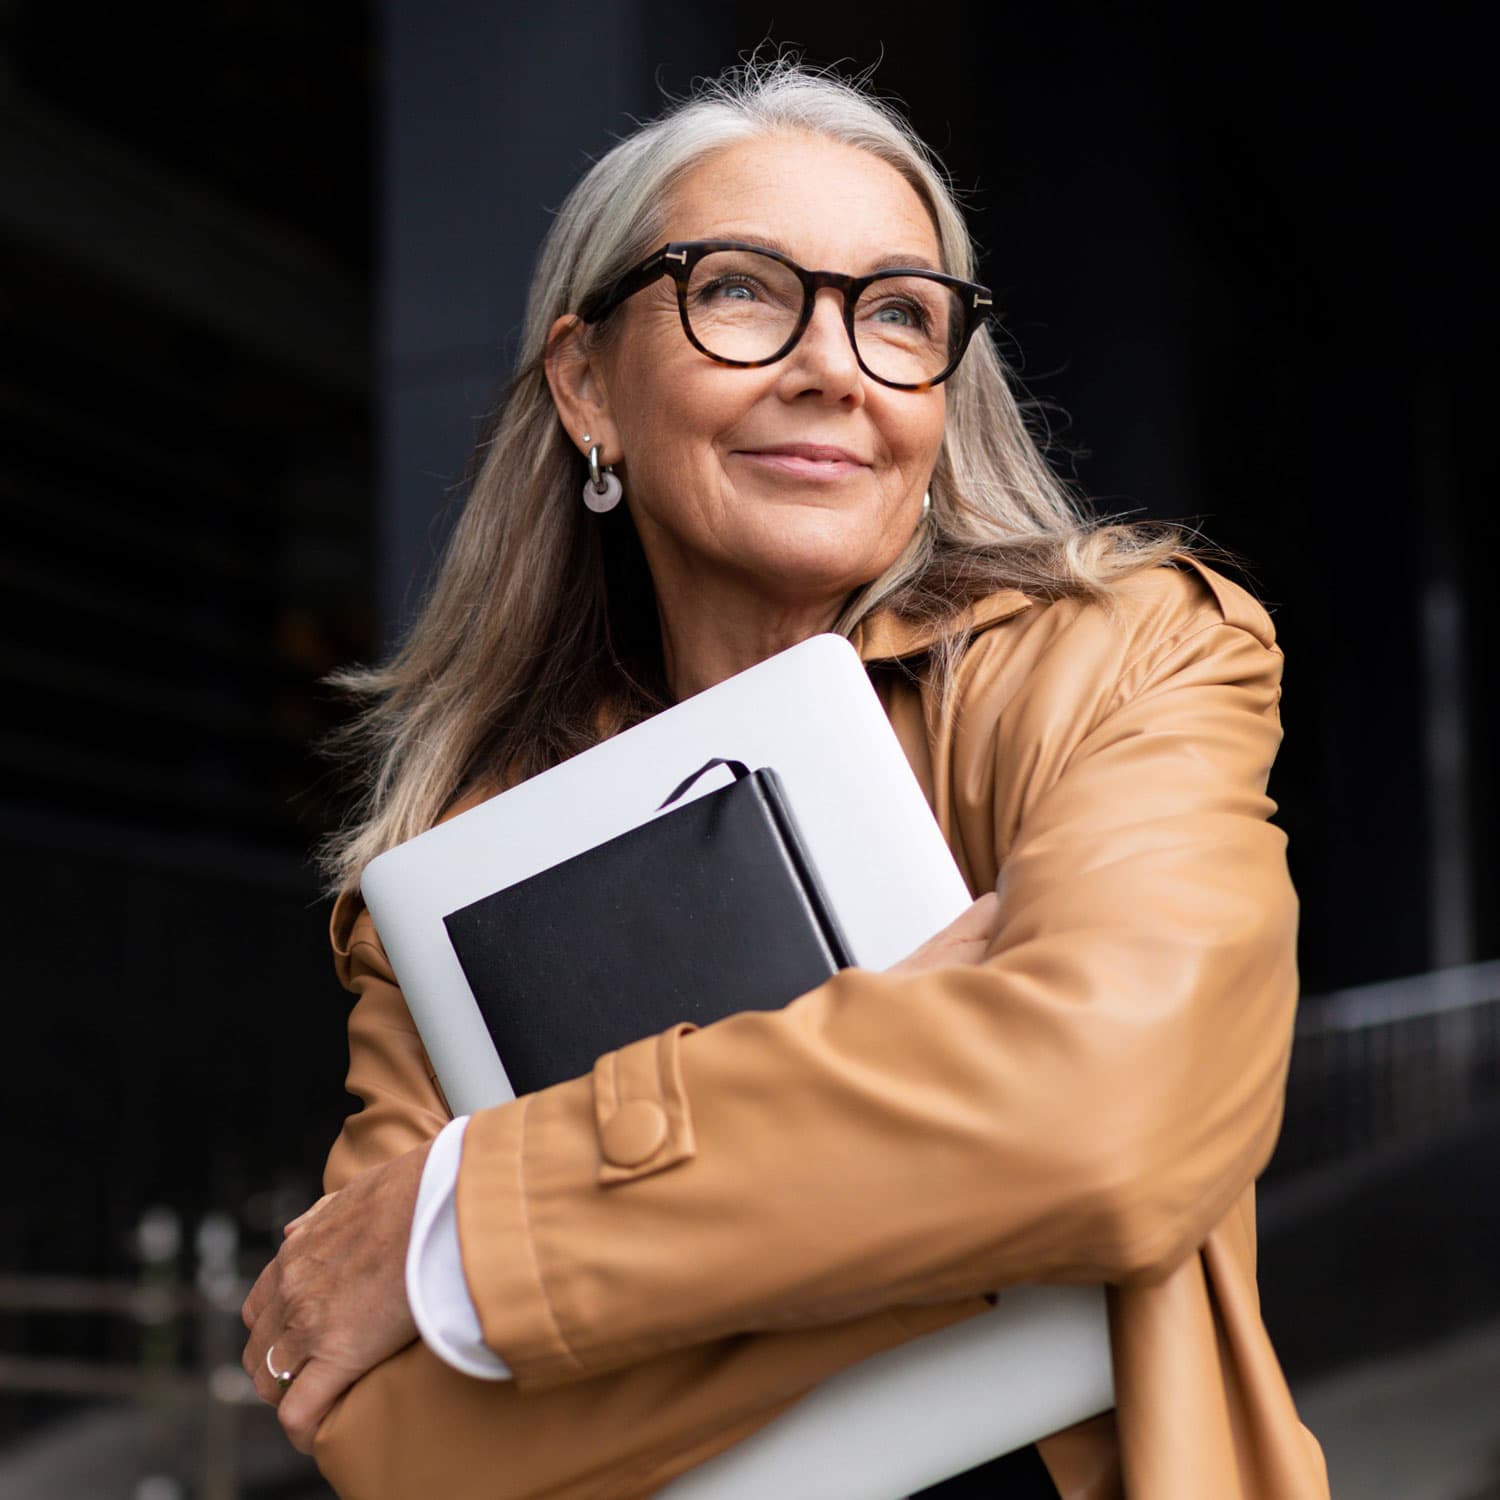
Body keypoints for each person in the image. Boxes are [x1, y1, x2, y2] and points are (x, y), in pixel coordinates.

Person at [240, 61, 1330, 1499]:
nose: (833, 365)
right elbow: (400, 1444)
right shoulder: (454, 869)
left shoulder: (1124, 659)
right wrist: (962, 1167)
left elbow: (1112, 1127)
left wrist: (469, 1233)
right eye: (744, 290)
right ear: (586, 386)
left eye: (897, 315)